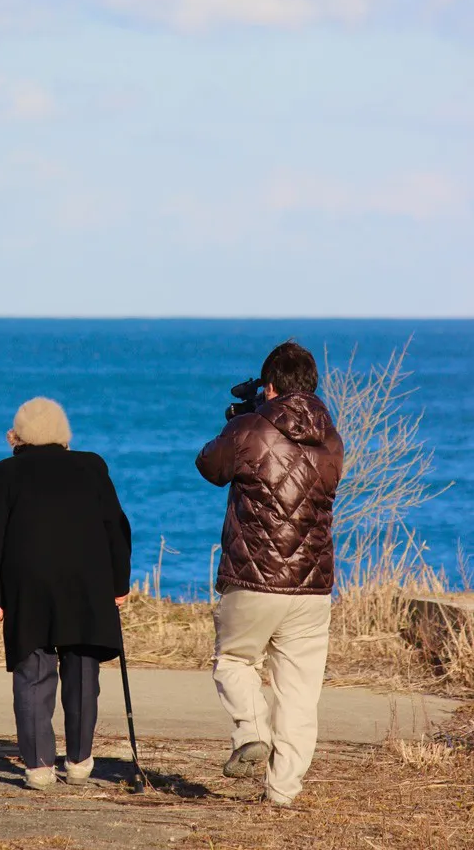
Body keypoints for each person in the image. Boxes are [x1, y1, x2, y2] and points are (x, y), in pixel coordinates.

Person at [196, 342, 344, 807]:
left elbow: (208, 465)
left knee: (236, 660)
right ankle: (282, 793)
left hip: (253, 579)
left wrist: (240, 419)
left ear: (270, 384)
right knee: (299, 694)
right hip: (313, 583)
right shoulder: (332, 439)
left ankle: (252, 731)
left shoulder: (250, 430)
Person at [0, 397, 131, 791]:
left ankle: (39, 767)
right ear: (64, 434)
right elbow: (116, 527)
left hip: (27, 585)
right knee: (82, 671)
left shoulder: (0, 474)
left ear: (17, 435)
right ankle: (79, 761)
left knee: (32, 673)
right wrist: (119, 584)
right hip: (87, 583)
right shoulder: (92, 466)